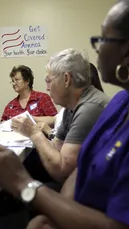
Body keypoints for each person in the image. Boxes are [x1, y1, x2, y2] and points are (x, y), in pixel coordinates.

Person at [0, 0, 129, 228]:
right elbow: (79, 172)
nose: (96, 49)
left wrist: (24, 184)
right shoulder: (121, 102)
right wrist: (57, 213)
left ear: (128, 51)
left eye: (103, 39)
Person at [15, 49, 109, 184]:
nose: (47, 88)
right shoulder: (71, 106)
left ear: (66, 79)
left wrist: (34, 133)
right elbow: (56, 148)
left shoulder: (90, 107)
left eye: (49, 81)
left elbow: (62, 172)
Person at [36, 62, 104, 138]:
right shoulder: (69, 106)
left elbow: (64, 146)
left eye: (49, 81)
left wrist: (43, 133)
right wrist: (30, 119)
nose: (47, 88)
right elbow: (55, 120)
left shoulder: (87, 109)